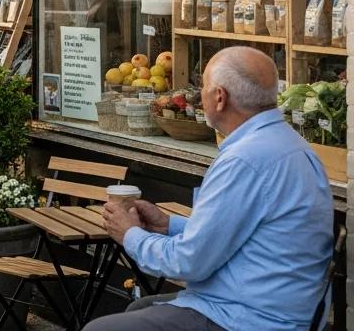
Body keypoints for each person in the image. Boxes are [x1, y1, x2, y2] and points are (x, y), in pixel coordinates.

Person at [87, 47, 333, 331]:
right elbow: (236, 231)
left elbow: (190, 262)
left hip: (248, 318)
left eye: (203, 87)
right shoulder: (289, 143)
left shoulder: (246, 159)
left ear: (219, 97)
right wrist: (170, 224)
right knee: (140, 307)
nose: (199, 95)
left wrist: (130, 235)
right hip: (279, 306)